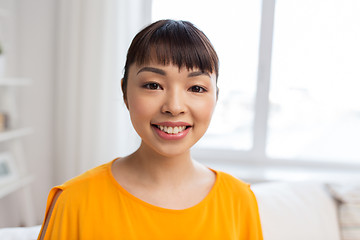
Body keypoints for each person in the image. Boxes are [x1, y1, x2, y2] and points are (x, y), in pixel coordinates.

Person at [38, 19, 263, 240]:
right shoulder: (74, 201)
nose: (174, 107)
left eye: (196, 87)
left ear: (216, 97)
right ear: (125, 92)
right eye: (153, 85)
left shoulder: (239, 200)